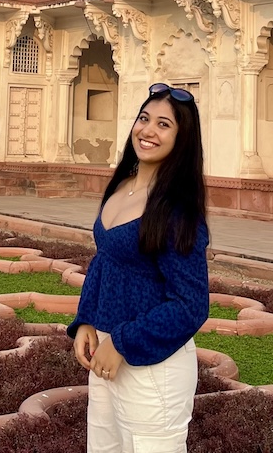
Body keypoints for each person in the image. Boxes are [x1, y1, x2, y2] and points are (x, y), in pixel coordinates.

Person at [67, 82, 209, 453]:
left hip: (152, 370)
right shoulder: (123, 187)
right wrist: (86, 319)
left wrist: (123, 342)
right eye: (144, 119)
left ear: (182, 140)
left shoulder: (177, 210)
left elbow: (190, 305)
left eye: (164, 125)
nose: (147, 130)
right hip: (107, 356)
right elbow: (106, 260)